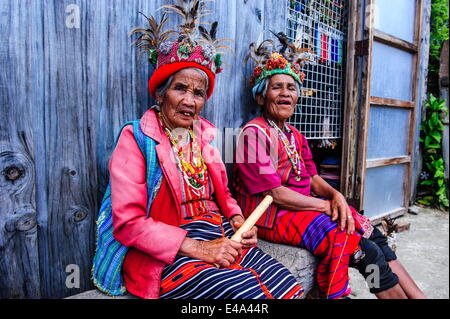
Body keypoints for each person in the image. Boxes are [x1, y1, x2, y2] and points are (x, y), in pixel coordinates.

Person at [92, 2, 303, 299]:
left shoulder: (203, 135)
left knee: (282, 281)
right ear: (160, 93)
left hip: (219, 232)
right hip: (169, 249)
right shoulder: (137, 138)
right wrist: (200, 249)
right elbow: (129, 223)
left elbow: (223, 192)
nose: (190, 101)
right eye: (181, 88)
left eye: (199, 93)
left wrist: (237, 219)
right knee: (239, 295)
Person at [233, 34, 426, 299]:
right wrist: (326, 206)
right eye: (277, 87)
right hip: (271, 215)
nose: (285, 93)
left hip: (301, 206)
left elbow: (312, 177)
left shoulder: (294, 135)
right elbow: (274, 193)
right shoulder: (253, 134)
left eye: (291, 87)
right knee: (363, 250)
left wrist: (336, 196)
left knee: (373, 234)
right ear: (261, 96)